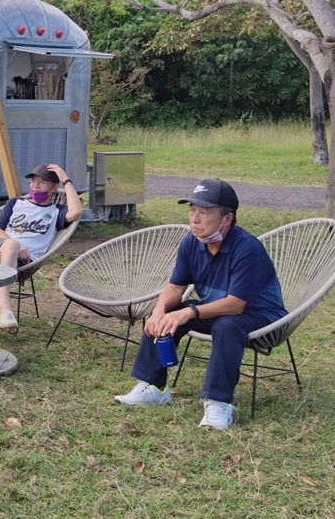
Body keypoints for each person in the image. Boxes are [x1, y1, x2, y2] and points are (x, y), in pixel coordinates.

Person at [114, 178, 287, 430]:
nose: (194, 219)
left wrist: (190, 311)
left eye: (204, 213)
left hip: (265, 318)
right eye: (192, 211)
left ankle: (219, 403)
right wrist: (159, 311)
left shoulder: (247, 248)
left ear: (227, 218)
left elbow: (236, 305)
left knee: (227, 324)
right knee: (168, 311)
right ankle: (154, 387)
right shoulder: (191, 243)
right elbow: (175, 288)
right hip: (217, 312)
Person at [0, 163, 83, 342]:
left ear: (54, 187)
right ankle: (4, 307)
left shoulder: (55, 212)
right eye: (33, 181)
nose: (35, 186)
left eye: (42, 182)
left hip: (22, 261)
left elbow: (76, 211)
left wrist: (65, 178)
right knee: (7, 247)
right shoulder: (16, 203)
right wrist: (15, 245)